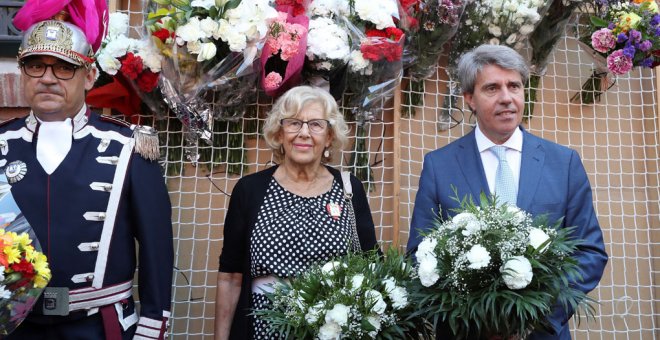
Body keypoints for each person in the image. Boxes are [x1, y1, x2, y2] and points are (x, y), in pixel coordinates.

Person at [407, 44, 608, 339]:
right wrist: (479, 315)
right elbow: (418, 254)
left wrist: (533, 315)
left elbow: (590, 252)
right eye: (491, 88)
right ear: (469, 99)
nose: (506, 98)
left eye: (514, 86)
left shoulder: (564, 163)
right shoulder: (439, 166)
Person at [2, 3, 174, 339]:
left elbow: (157, 250)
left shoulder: (129, 145)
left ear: (90, 75)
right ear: (23, 73)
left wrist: (152, 327)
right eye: (35, 66)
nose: (48, 78)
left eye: (64, 68)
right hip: (13, 327)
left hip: (98, 326)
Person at [214, 85, 379, 340]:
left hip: (334, 329)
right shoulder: (250, 190)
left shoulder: (349, 188)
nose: (304, 133)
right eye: (293, 123)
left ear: (330, 137)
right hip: (264, 329)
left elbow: (371, 264)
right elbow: (231, 276)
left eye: (315, 124)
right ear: (279, 134)